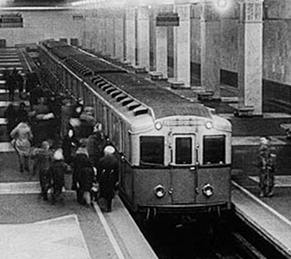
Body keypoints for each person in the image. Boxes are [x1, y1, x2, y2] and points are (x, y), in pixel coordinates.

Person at [72, 141, 94, 206]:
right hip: (86, 174)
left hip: (77, 173)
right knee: (86, 188)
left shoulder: (76, 157)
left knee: (78, 186)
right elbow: (90, 166)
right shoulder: (86, 158)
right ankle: (87, 200)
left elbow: (74, 166)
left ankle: (79, 199)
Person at [97, 145, 119, 212]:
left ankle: (103, 205)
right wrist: (117, 180)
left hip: (103, 178)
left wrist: (98, 178)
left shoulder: (101, 160)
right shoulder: (115, 161)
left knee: (103, 191)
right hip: (111, 178)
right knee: (110, 193)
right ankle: (109, 207)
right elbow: (117, 171)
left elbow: (99, 170)